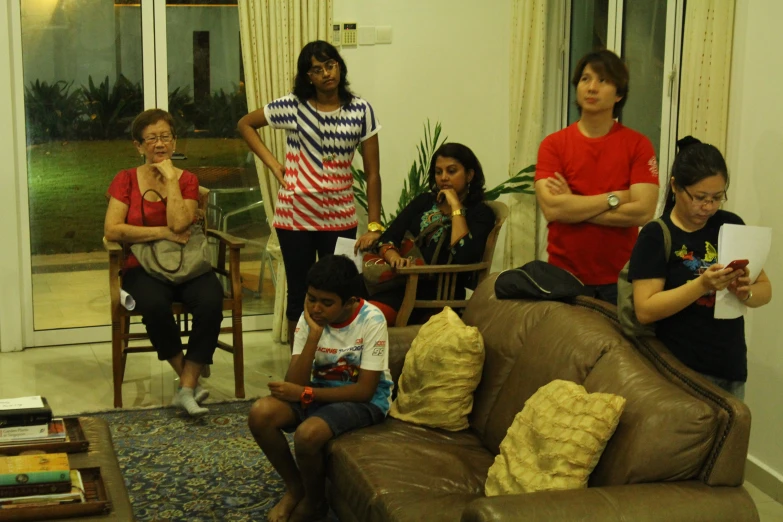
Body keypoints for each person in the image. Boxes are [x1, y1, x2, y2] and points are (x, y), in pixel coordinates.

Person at [238, 40, 382, 347]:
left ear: (340, 67)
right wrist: (275, 166)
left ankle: (341, 359)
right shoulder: (292, 106)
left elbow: (372, 173)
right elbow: (246, 124)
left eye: (330, 65)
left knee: (344, 291)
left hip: (342, 217)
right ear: (308, 77)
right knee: (301, 293)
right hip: (295, 217)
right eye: (317, 69)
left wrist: (374, 224)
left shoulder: (361, 110)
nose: (326, 73)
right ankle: (299, 365)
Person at [247, 255, 392, 522]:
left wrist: (306, 394)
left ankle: (315, 501)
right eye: (311, 298)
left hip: (364, 402)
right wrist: (314, 334)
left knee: (307, 434)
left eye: (326, 303)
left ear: (348, 302)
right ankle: (296, 488)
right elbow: (295, 381)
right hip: (319, 390)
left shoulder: (372, 319)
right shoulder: (310, 318)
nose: (316, 308)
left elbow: (364, 391)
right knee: (261, 413)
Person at [628, 137, 772, 400]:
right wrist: (702, 285)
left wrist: (744, 292)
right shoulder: (656, 235)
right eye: (699, 197)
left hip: (730, 367)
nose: (708, 207)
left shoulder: (731, 225)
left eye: (717, 197)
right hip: (678, 372)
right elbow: (645, 310)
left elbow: (765, 290)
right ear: (675, 186)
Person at [104, 108, 223, 416]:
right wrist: (162, 233)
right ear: (138, 145)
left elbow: (181, 223)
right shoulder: (126, 180)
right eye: (151, 138)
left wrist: (171, 180)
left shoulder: (188, 180)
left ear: (174, 141)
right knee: (154, 305)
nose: (159, 144)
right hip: (141, 267)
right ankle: (190, 379)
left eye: (165, 137)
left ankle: (185, 387)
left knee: (211, 300)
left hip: (189, 265)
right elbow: (112, 229)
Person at [535, 49, 659, 304]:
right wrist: (617, 197)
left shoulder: (638, 145)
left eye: (603, 80)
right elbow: (552, 209)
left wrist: (575, 206)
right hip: (563, 276)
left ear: (619, 94)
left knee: (618, 345)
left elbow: (643, 212)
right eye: (585, 79)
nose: (592, 87)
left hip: (620, 278)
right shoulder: (553, 144)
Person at [367, 142, 496, 325]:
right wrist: (394, 256)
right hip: (401, 280)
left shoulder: (480, 213)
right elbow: (389, 236)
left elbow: (464, 256)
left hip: (438, 291)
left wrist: (456, 207)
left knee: (365, 316)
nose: (443, 178)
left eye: (451, 171)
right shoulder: (424, 201)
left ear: (469, 175)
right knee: (342, 291)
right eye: (438, 172)